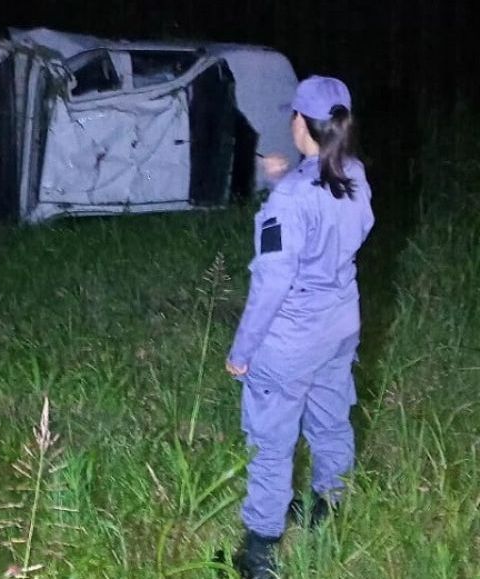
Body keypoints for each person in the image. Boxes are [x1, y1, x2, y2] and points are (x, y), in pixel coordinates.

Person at [226, 75, 375, 579]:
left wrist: (242, 350)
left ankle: (260, 555)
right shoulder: (353, 173)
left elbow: (271, 283)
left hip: (290, 341)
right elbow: (336, 216)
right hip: (340, 327)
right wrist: (284, 179)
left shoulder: (292, 198)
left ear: (301, 123)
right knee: (332, 418)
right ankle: (327, 508)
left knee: (271, 442)